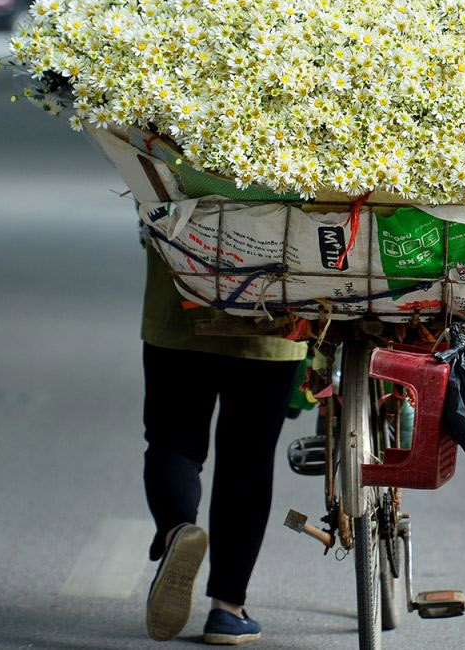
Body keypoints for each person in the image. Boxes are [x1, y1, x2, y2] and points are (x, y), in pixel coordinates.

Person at [140, 239, 307, 645]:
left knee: (173, 440)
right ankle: (227, 611)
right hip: (273, 325)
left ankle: (177, 529)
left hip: (180, 320)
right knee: (247, 464)